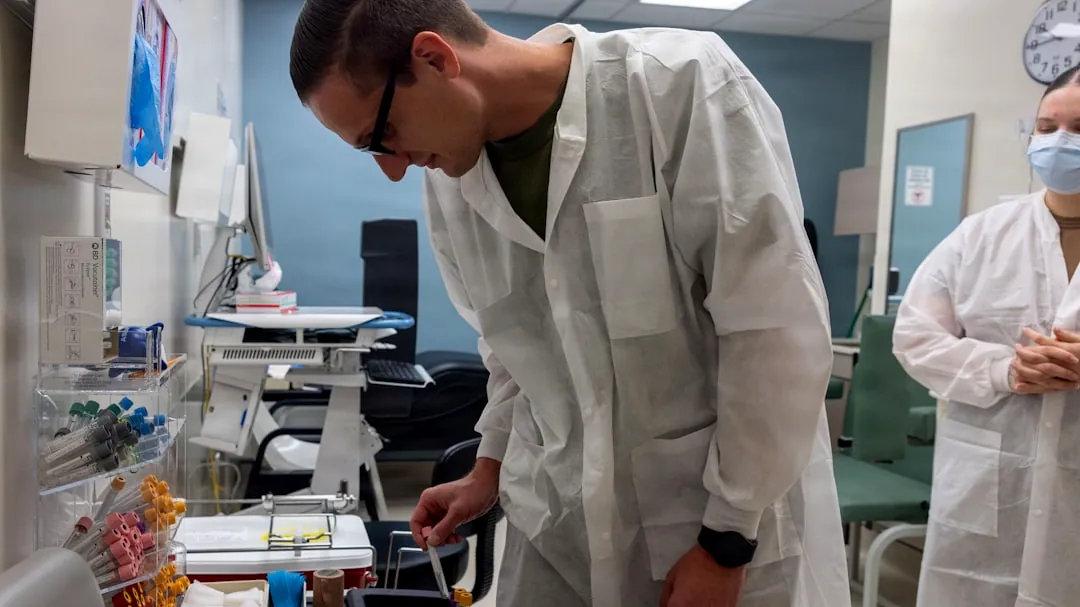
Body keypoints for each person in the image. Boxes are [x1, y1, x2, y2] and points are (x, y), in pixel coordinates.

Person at [289, 2, 849, 606]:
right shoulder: (449, 182)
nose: (392, 170)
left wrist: (727, 540)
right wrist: (489, 467)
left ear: (433, 58)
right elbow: (512, 352)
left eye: (382, 136)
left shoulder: (677, 86)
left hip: (705, 530)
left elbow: (773, 332)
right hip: (556, 526)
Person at [894, 64, 1080, 607]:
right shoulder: (981, 235)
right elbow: (915, 336)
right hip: (988, 488)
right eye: (1046, 128)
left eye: (1078, 129)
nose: (1059, 142)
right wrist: (1005, 369)